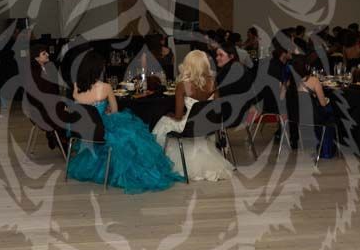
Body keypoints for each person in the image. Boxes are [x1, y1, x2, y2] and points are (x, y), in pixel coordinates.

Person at [66, 51, 183, 193]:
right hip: (101, 129)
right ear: (98, 69)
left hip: (83, 130)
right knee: (133, 136)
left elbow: (82, 108)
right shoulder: (106, 87)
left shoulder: (76, 86)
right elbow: (115, 111)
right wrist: (106, 110)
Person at [152, 51, 234, 181]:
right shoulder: (213, 83)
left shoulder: (182, 85)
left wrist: (170, 115)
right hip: (206, 125)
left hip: (188, 126)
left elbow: (179, 116)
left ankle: (157, 163)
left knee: (163, 121)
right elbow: (217, 108)